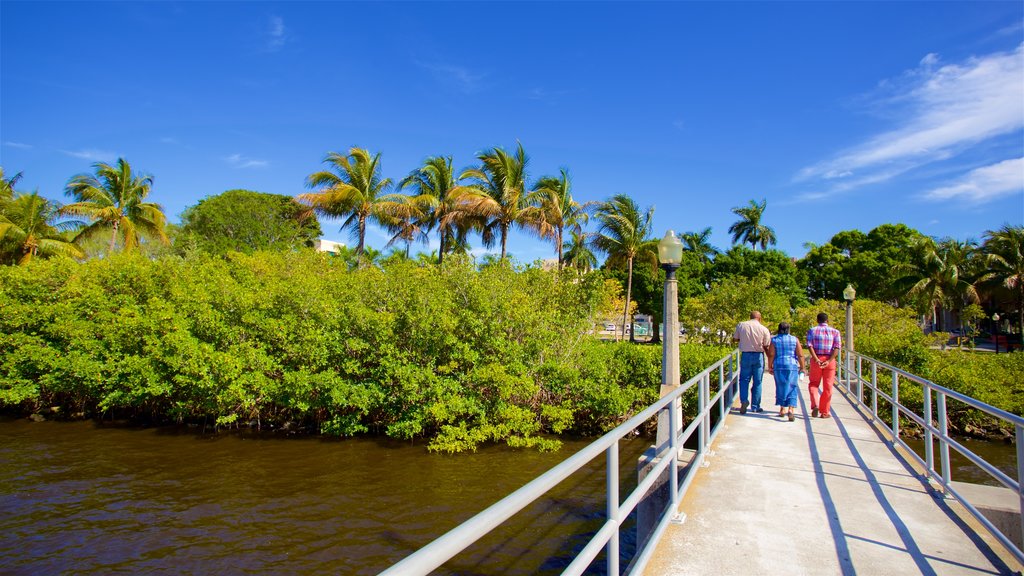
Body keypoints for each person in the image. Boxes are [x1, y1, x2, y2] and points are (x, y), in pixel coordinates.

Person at [732, 311, 771, 414]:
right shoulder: (764, 329)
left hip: (746, 355)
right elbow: (766, 345)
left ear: (750, 317)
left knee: (744, 380)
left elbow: (735, 339)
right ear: (760, 318)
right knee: (758, 382)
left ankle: (744, 401)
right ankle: (755, 406)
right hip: (758, 356)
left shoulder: (741, 325)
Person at [806, 312, 842, 419]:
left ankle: (815, 405)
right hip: (829, 360)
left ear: (817, 320)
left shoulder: (812, 330)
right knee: (828, 386)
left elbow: (809, 345)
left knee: (813, 384)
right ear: (827, 320)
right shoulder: (835, 332)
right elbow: (837, 348)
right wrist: (830, 360)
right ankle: (824, 412)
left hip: (816, 359)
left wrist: (816, 359)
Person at [767, 322, 805, 422]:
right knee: (792, 386)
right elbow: (800, 354)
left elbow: (771, 354)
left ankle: (782, 409)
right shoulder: (794, 339)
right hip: (792, 365)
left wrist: (770, 366)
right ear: (788, 329)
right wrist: (802, 367)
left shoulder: (774, 340)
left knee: (780, 386)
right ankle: (791, 409)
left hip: (778, 365)